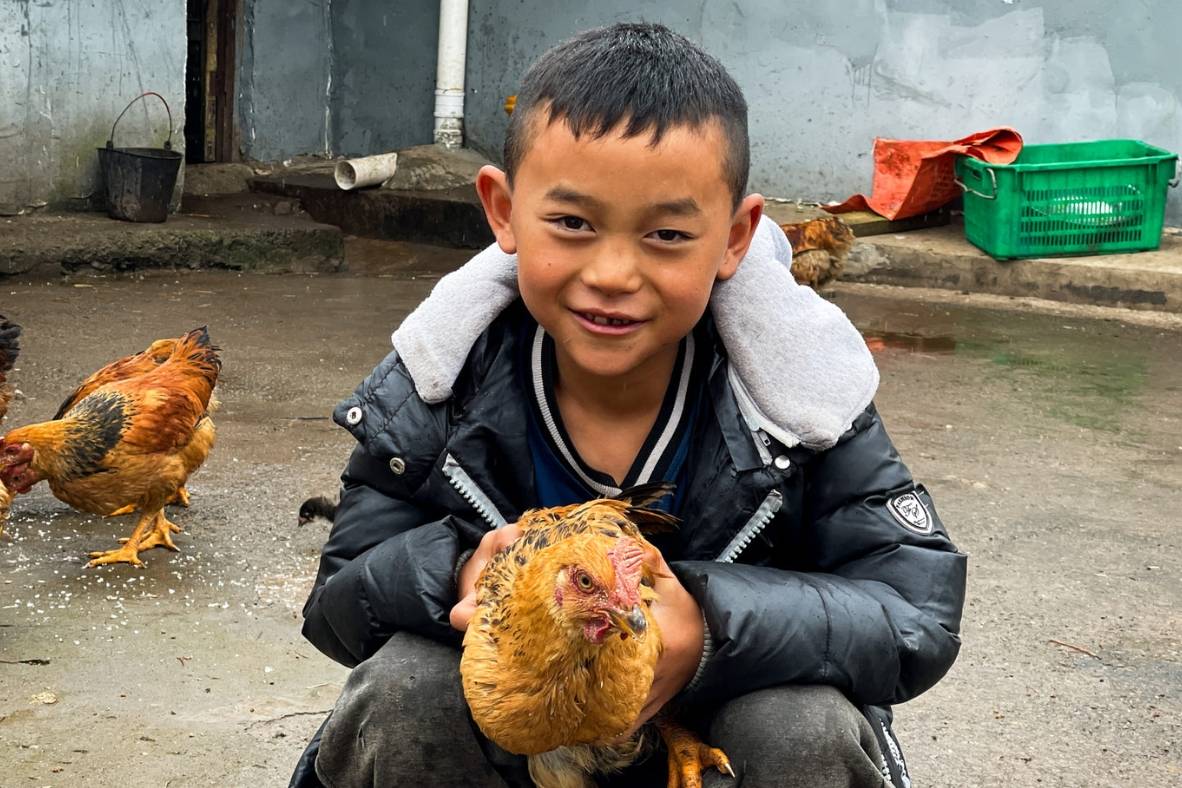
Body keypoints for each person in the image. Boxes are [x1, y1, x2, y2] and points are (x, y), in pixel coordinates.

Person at [290, 22, 966, 788]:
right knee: (403, 689)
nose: (614, 272)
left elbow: (916, 614)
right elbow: (338, 603)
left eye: (668, 233)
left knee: (802, 726)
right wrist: (451, 571)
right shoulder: (436, 390)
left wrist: (709, 627)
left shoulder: (802, 402)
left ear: (737, 237)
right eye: (573, 223)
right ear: (503, 210)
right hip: (506, 743)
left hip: (714, 738)